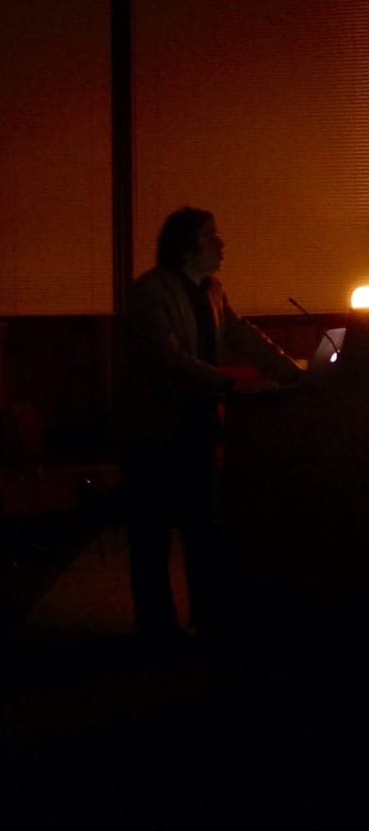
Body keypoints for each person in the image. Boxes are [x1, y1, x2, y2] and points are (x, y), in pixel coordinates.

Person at [116, 206, 303, 649]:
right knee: (153, 531)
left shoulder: (212, 288)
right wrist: (227, 383)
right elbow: (168, 358)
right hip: (152, 430)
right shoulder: (149, 293)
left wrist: (293, 372)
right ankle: (156, 629)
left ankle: (209, 615)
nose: (221, 244)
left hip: (195, 427)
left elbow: (242, 334)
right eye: (210, 236)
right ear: (186, 246)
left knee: (203, 525)